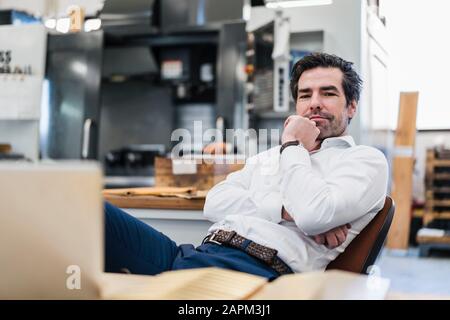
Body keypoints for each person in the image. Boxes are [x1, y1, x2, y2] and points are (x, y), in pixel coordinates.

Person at [104, 53, 388, 280]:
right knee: (89, 213)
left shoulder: (364, 160)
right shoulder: (268, 158)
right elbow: (215, 203)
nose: (314, 103)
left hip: (257, 273)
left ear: (351, 106)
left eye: (328, 93)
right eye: (304, 95)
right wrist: (286, 210)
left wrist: (292, 145)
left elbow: (313, 215)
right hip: (192, 255)